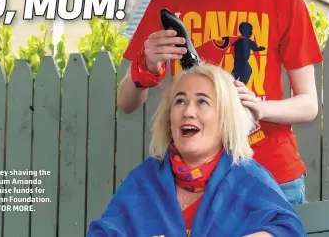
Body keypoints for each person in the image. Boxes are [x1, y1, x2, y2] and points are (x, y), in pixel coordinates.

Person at [116, 0, 322, 205]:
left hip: (272, 176)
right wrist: (148, 64)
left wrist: (259, 108)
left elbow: (309, 104)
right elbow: (126, 102)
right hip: (192, 180)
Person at [87, 63, 307, 237]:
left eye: (202, 102)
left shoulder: (248, 177)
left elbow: (287, 230)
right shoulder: (144, 179)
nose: (188, 112)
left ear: (225, 119)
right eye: (180, 101)